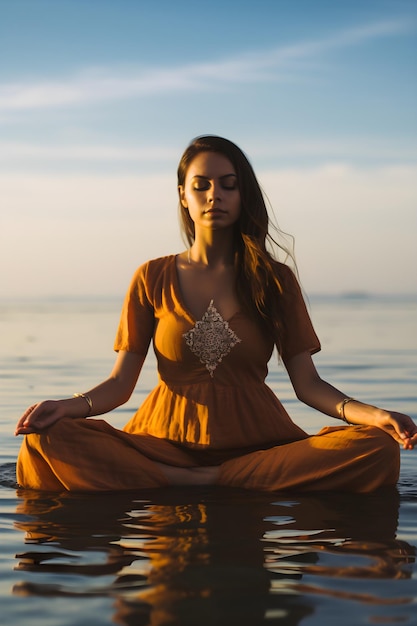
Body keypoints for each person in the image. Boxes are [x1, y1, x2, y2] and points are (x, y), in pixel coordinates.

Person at [15, 135, 417, 493]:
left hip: (260, 446)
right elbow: (121, 384)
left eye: (229, 185)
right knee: (44, 439)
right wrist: (67, 406)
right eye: (201, 185)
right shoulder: (151, 276)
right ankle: (206, 480)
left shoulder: (274, 280)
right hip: (163, 445)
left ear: (244, 195)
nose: (214, 196)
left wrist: (374, 414)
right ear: (182, 195)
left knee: (377, 447)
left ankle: (203, 481)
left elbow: (308, 384)